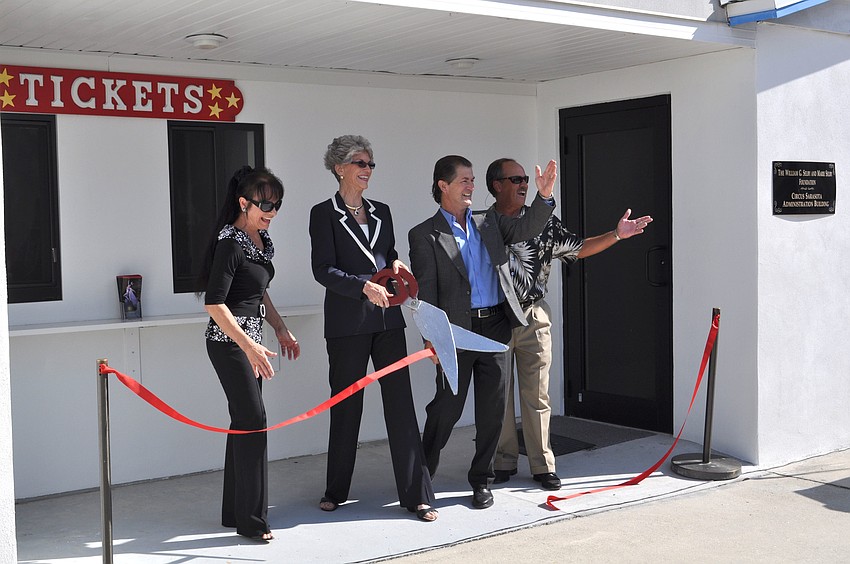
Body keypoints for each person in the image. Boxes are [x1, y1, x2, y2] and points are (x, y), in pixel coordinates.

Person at [487, 158, 652, 491]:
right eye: (516, 179)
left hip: (533, 316)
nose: (523, 184)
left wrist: (616, 235)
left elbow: (577, 248)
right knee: (498, 396)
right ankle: (503, 460)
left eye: (524, 179)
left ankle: (542, 464)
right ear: (496, 185)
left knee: (537, 394)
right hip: (494, 318)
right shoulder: (481, 224)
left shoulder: (543, 222)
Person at [407, 155, 556, 510]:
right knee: (447, 408)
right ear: (443, 186)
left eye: (473, 180)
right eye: (464, 181)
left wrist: (545, 197)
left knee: (492, 411)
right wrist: (430, 335)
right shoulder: (424, 234)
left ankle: (481, 480)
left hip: (495, 328)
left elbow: (527, 228)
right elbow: (426, 289)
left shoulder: (487, 223)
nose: (471, 186)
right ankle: (422, 475)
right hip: (455, 333)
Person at [309, 135, 437, 522]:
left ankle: (417, 496)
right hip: (348, 322)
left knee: (400, 406)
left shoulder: (382, 210)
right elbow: (323, 269)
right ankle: (336, 490)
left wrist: (397, 266)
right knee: (346, 406)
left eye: (371, 164)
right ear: (340, 168)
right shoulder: (322, 213)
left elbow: (389, 255)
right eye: (361, 163)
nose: (367, 170)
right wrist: (361, 286)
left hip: (388, 320)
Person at [197, 166, 301, 542]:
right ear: (244, 203)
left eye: (277, 204)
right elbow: (215, 304)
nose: (272, 211)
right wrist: (250, 345)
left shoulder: (259, 240)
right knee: (254, 421)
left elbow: (260, 291)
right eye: (266, 204)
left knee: (243, 422)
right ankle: (253, 522)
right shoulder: (231, 241)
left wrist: (279, 327)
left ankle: (234, 511)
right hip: (229, 343)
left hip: (252, 340)